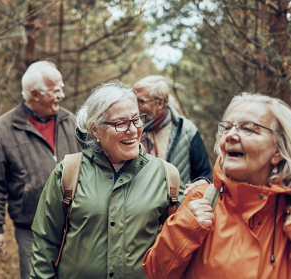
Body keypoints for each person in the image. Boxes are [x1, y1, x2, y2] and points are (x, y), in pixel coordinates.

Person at [143, 93, 291, 278]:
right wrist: (184, 228)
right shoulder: (200, 200)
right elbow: (156, 273)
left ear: (278, 150)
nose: (230, 135)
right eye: (227, 127)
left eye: (248, 129)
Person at [29, 81, 180, 279]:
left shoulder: (165, 175)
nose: (133, 130)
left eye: (136, 119)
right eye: (120, 123)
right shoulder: (68, 172)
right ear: (96, 129)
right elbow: (45, 244)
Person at [0, 61, 81, 279]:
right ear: (34, 94)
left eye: (61, 88)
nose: (62, 95)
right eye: (56, 91)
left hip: (77, 224)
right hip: (31, 227)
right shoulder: (3, 129)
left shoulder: (71, 121)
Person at [133, 76, 211, 194]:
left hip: (177, 207)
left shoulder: (187, 130)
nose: (135, 105)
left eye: (141, 101)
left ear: (159, 103)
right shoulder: (130, 129)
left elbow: (203, 176)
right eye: (135, 100)